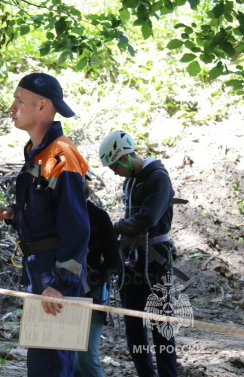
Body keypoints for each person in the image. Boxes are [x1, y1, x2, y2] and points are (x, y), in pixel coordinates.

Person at [0, 72, 90, 377]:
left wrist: (62, 284)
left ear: (42, 106)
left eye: (19, 101)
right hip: (38, 271)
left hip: (55, 278)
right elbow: (45, 211)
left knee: (52, 366)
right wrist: (11, 214)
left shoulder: (62, 156)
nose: (12, 108)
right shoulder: (37, 153)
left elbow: (77, 228)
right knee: (42, 365)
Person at [99, 130, 179, 377]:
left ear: (124, 157)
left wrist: (116, 228)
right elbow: (132, 219)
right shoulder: (130, 181)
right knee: (133, 323)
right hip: (133, 259)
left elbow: (147, 218)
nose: (114, 172)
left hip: (156, 259)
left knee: (160, 324)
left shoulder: (158, 178)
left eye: (114, 166)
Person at [75, 180, 122, 377]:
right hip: (60, 290)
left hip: (91, 291)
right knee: (67, 357)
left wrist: (90, 283)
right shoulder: (55, 215)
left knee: (85, 356)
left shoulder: (98, 216)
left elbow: (114, 262)